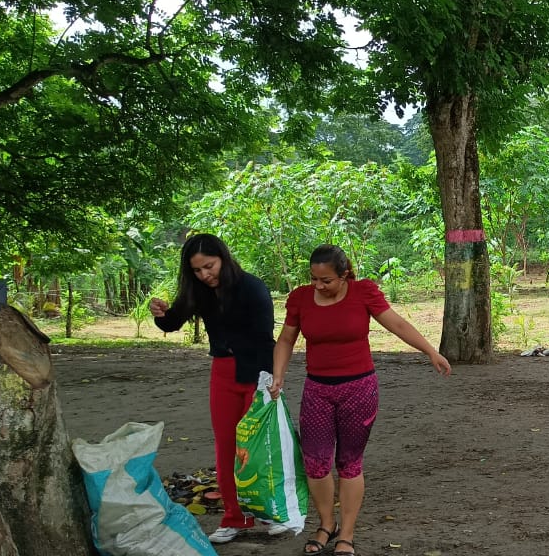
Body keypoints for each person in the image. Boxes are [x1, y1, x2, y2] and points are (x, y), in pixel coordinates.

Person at [271, 244, 451, 556]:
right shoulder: (300, 298)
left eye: (326, 280)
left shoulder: (363, 292)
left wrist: (430, 351)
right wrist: (278, 375)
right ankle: (327, 524)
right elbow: (286, 339)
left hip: (359, 389)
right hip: (317, 390)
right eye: (313, 279)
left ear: (344, 275)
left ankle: (347, 533)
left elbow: (397, 324)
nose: (318, 286)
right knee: (315, 462)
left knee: (349, 463)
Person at [149, 233, 279, 544]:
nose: (205, 275)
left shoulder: (252, 287)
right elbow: (173, 322)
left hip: (257, 371)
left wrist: (269, 381)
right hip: (222, 372)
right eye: (197, 270)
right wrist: (161, 314)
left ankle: (272, 514)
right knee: (226, 447)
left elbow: (265, 337)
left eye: (209, 266)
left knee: (257, 448)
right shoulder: (199, 291)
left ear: (223, 258)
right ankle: (235, 518)